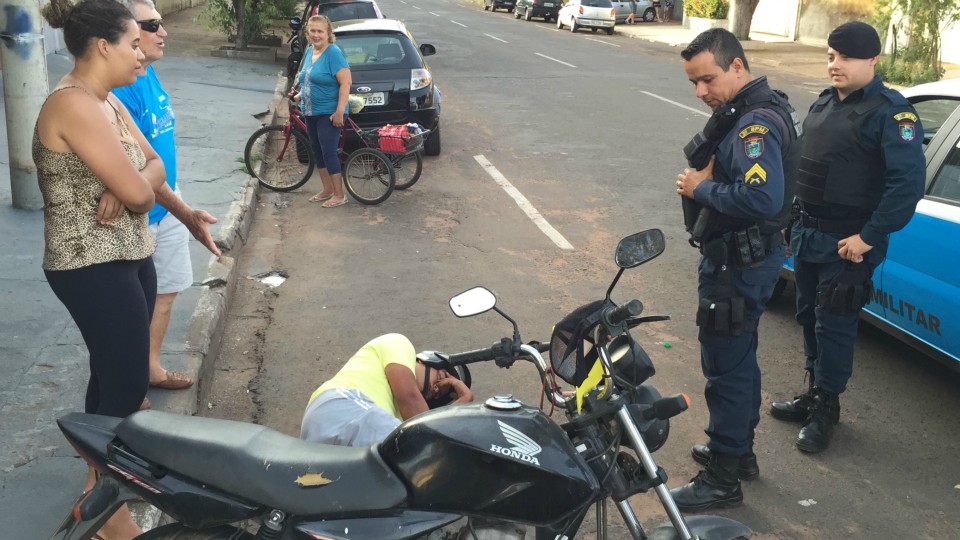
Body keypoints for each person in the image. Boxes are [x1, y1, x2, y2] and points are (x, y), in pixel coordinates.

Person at [36, 0, 164, 537]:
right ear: (104, 46)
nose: (142, 54)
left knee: (113, 377)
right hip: (89, 263)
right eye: (135, 44)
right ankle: (107, 509)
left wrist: (132, 184)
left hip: (126, 255)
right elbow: (140, 188)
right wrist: (128, 185)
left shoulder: (107, 102)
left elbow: (152, 165)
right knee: (126, 380)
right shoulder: (73, 105)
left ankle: (97, 487)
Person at [769, 22, 925, 453]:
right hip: (808, 235)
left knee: (835, 324)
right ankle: (813, 391)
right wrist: (788, 224)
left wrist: (868, 238)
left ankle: (827, 407)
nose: (834, 64)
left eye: (845, 57)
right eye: (831, 56)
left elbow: (906, 187)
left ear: (872, 60)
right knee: (807, 316)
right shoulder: (823, 104)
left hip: (848, 246)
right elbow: (807, 170)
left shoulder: (893, 113)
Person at [669, 28, 801, 512]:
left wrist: (698, 189)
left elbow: (762, 197)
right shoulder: (752, 109)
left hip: (737, 264)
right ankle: (738, 453)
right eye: (694, 85)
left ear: (738, 67)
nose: (701, 92)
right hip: (747, 259)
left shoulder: (753, 124)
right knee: (739, 356)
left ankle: (722, 477)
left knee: (725, 365)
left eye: (708, 80)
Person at [113, 0, 222, 393]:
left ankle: (150, 368)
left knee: (167, 290)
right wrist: (186, 214)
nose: (165, 30)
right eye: (152, 24)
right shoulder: (120, 89)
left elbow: (154, 162)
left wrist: (178, 204)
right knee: (128, 308)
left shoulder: (149, 75)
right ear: (123, 32)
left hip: (168, 201)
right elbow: (134, 174)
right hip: (140, 211)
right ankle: (125, 388)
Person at [300, 333, 473, 447]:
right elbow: (412, 403)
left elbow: (423, 427)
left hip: (323, 431)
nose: (436, 388)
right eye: (441, 377)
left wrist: (458, 407)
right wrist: (457, 413)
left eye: (435, 395)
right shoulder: (398, 343)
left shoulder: (397, 421)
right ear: (422, 361)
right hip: (342, 403)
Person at [295, 14, 352, 208]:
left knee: (329, 152)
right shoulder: (310, 50)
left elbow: (346, 83)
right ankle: (327, 189)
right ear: (307, 32)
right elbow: (308, 78)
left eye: (320, 31)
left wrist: (339, 111)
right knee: (317, 151)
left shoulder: (333, 53)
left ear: (328, 33)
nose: (316, 35)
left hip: (329, 112)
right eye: (312, 31)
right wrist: (300, 94)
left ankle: (339, 194)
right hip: (310, 111)